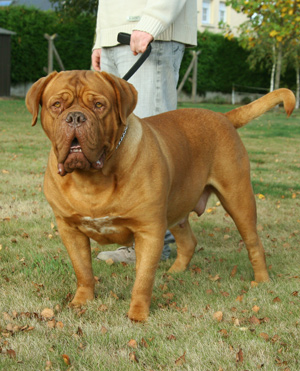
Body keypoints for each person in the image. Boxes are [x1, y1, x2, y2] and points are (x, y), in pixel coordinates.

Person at [91, 0, 197, 263]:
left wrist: (151, 22)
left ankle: (154, 245)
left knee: (151, 148)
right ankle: (132, 238)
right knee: (119, 145)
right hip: (114, 37)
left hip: (147, 33)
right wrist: (100, 39)